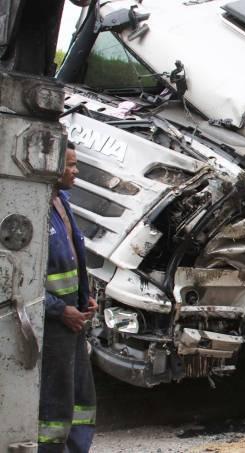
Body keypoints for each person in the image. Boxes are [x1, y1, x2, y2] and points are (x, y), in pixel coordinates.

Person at [38, 141, 97, 452]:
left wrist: (86, 296)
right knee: (56, 401)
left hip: (73, 320)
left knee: (81, 397)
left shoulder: (62, 200)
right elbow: (25, 281)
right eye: (70, 165)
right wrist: (60, 310)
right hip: (54, 323)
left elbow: (74, 255)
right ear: (50, 164)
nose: (76, 171)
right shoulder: (32, 206)